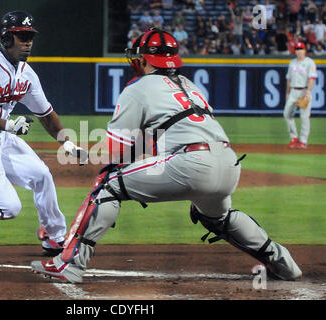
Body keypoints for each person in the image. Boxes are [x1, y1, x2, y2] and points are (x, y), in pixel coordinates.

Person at [31, 28, 302, 283]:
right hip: (228, 163)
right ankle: (284, 263)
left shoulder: (138, 88)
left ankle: (70, 264)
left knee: (108, 183)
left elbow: (116, 151)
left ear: (144, 60)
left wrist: (92, 155)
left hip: (192, 164)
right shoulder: (189, 85)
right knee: (219, 217)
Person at [0, 11, 88, 257]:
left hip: (0, 138)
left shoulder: (26, 74)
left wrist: (67, 144)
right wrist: (8, 125)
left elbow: (46, 113)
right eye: (21, 36)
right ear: (6, 38)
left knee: (42, 175)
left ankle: (54, 238)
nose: (28, 42)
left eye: (30, 36)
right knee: (8, 209)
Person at [284, 41, 318, 149]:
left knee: (304, 117)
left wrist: (308, 92)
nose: (299, 51)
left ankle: (303, 141)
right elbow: (288, 79)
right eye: (297, 49)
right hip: (293, 91)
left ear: (305, 50)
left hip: (304, 91)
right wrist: (287, 92)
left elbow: (311, 78)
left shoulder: (309, 62)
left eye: (301, 49)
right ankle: (294, 137)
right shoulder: (292, 62)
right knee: (287, 114)